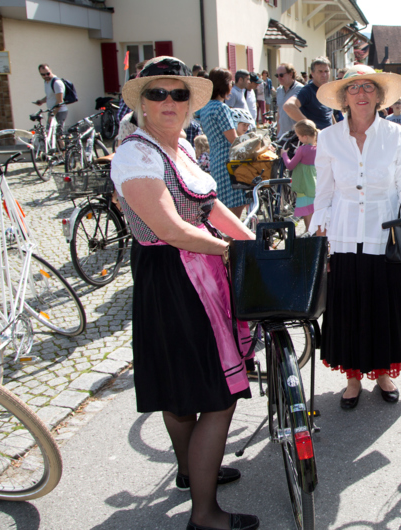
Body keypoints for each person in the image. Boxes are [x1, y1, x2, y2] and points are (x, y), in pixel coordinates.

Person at [109, 56, 259, 530]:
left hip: (198, 272)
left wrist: (252, 245)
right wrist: (229, 253)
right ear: (143, 104)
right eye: (157, 93)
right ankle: (205, 513)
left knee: (182, 390)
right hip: (172, 279)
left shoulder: (181, 150)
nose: (169, 101)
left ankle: (191, 471)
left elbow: (210, 206)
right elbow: (171, 230)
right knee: (215, 396)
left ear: (190, 102)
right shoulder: (136, 154)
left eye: (178, 93)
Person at [309, 64, 401, 410]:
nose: (361, 94)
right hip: (344, 232)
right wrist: (320, 230)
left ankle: (383, 373)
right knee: (348, 306)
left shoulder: (395, 134)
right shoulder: (329, 137)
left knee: (383, 305)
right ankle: (353, 377)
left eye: (368, 88)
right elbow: (324, 192)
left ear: (378, 96)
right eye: (353, 88)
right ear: (344, 97)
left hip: (384, 230)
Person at [196, 67, 247, 217]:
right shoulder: (221, 108)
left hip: (216, 159)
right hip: (228, 161)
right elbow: (233, 139)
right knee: (236, 207)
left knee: (225, 206)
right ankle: (232, 240)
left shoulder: (205, 108)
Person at [281, 119, 318, 228]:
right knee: (316, 212)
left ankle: (309, 236)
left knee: (307, 213)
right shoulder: (320, 147)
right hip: (316, 184)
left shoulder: (302, 149)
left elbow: (290, 165)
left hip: (304, 185)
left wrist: (284, 155)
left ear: (305, 137)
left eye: (299, 136)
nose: (298, 138)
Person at [284, 56, 333, 130]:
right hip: (315, 139)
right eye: (320, 71)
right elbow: (288, 106)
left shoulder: (327, 90)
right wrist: (310, 127)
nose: (324, 75)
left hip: (329, 137)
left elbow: (329, 115)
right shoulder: (307, 91)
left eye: (326, 71)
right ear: (312, 73)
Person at [35, 64, 69, 139]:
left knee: (58, 135)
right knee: (49, 134)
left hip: (59, 111)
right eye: (43, 74)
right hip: (52, 111)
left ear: (51, 70)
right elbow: (50, 96)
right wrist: (41, 101)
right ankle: (54, 150)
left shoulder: (56, 83)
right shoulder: (47, 82)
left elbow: (59, 101)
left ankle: (63, 150)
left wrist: (52, 115)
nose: (46, 76)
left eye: (48, 73)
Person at [275, 62, 304, 140]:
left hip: (296, 136)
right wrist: (278, 133)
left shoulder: (301, 89)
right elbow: (279, 112)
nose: (279, 78)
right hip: (282, 135)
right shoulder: (279, 90)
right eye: (276, 76)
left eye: (281, 75)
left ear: (291, 74)